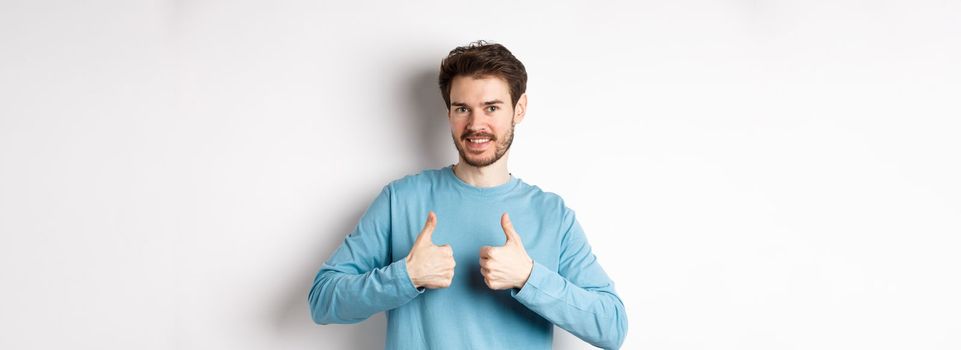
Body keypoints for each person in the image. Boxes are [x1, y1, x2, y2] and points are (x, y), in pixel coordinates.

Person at [308, 40, 628, 349]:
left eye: (491, 107)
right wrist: (405, 276)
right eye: (463, 108)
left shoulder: (553, 215)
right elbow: (322, 299)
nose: (476, 124)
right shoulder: (400, 200)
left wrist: (529, 278)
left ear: (519, 109)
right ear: (448, 113)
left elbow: (611, 327)